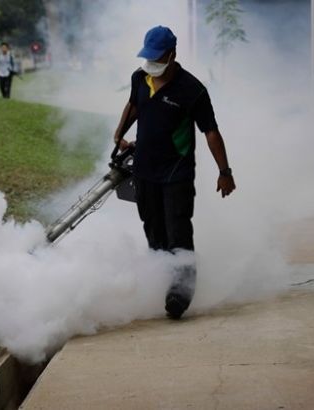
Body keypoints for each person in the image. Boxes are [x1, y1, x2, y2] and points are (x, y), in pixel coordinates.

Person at [113, 26, 236, 320]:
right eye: (149, 57)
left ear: (172, 55)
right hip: (143, 171)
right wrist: (118, 136)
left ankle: (180, 294)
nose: (152, 63)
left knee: (177, 232)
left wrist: (225, 171)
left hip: (175, 174)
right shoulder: (139, 77)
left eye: (158, 58)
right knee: (154, 231)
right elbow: (133, 105)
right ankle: (163, 280)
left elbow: (211, 132)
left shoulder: (191, 90)